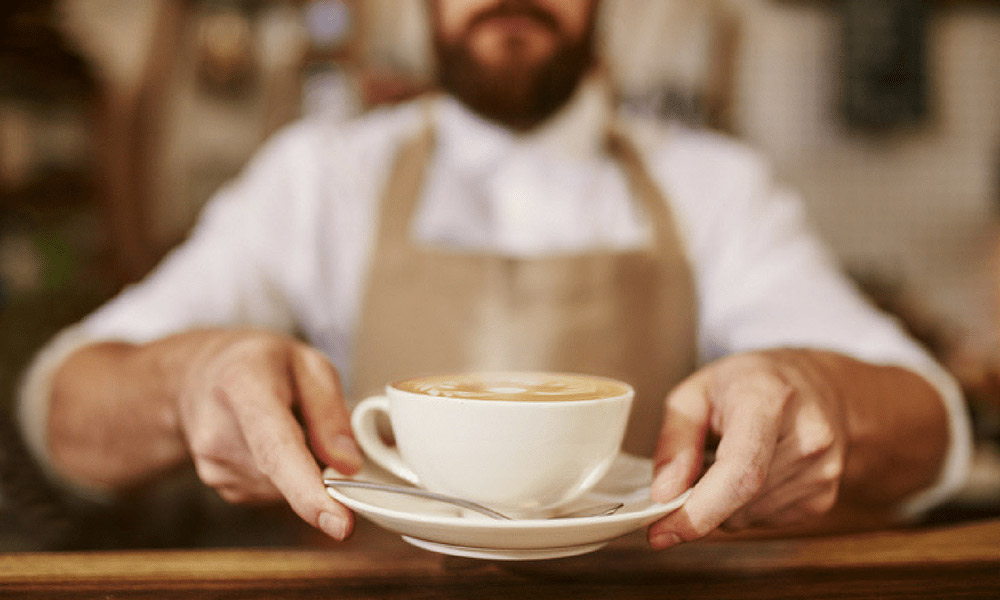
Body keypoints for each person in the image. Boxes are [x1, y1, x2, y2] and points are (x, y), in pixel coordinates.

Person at [17, 0, 970, 549]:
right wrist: (187, 380)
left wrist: (821, 399)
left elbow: (932, 429)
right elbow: (60, 406)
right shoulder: (319, 176)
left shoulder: (715, 185)